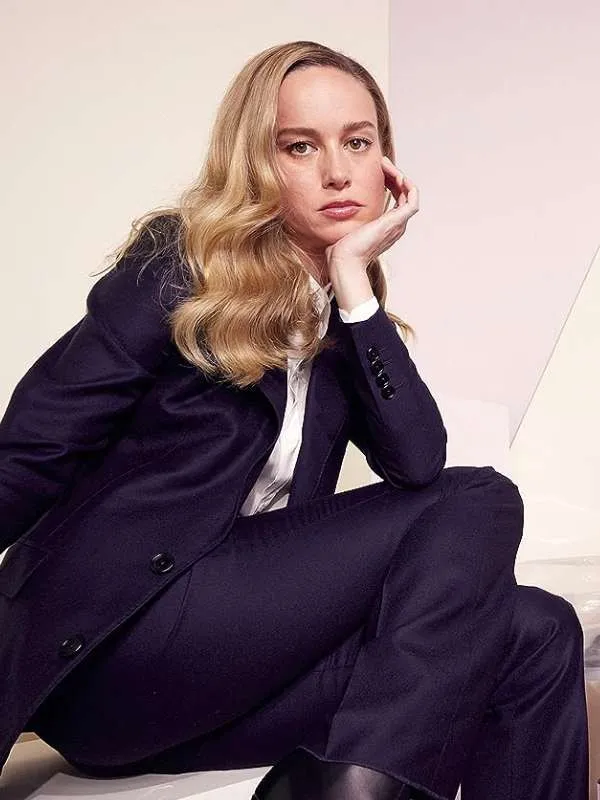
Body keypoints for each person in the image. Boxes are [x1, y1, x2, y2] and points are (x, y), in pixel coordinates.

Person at [0, 41, 589, 800]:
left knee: (538, 632)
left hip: (225, 685)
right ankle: (360, 788)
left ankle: (356, 780)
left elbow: (416, 460)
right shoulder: (179, 269)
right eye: (300, 146)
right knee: (480, 496)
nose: (338, 172)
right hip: (122, 650)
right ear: (256, 163)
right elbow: (32, 450)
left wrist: (354, 286)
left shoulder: (344, 317)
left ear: (387, 161)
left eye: (358, 142)